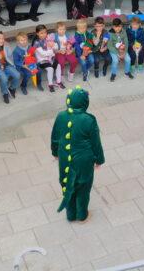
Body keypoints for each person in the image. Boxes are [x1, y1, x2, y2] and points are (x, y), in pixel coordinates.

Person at [51, 86, 105, 222]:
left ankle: (70, 214)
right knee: (83, 187)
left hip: (65, 157)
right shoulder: (89, 119)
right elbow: (95, 143)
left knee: (68, 184)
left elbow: (55, 137)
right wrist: (99, 159)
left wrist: (55, 152)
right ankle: (81, 215)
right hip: (84, 160)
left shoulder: (61, 116)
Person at [34, 24, 62, 91]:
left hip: (50, 58)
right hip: (42, 60)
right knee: (50, 69)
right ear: (37, 33)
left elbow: (56, 47)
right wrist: (51, 49)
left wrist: (53, 45)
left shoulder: (48, 38)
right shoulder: (37, 43)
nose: (44, 34)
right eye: (41, 33)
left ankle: (59, 82)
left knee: (58, 66)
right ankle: (50, 84)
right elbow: (43, 54)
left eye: (45, 32)